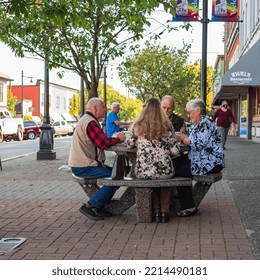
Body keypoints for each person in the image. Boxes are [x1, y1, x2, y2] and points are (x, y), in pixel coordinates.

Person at [68, 97, 125, 220]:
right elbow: (103, 143)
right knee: (116, 177)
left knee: (116, 173)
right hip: (84, 166)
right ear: (94, 108)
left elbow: (100, 141)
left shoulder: (87, 120)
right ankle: (91, 205)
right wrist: (119, 139)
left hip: (83, 164)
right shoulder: (90, 122)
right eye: (103, 107)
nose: (104, 110)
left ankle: (100, 206)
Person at [127, 97, 180, 223]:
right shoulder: (167, 126)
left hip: (143, 171)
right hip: (164, 171)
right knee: (162, 177)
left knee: (151, 178)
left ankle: (156, 211)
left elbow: (129, 144)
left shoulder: (137, 126)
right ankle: (164, 212)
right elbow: (175, 151)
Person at [176, 98, 225, 216]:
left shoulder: (206, 123)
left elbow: (198, 144)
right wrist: (185, 139)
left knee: (179, 172)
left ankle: (189, 206)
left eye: (189, 112)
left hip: (211, 162)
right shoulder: (196, 125)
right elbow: (194, 141)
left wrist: (183, 139)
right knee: (171, 164)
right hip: (199, 158)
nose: (188, 115)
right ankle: (173, 200)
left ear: (198, 111)